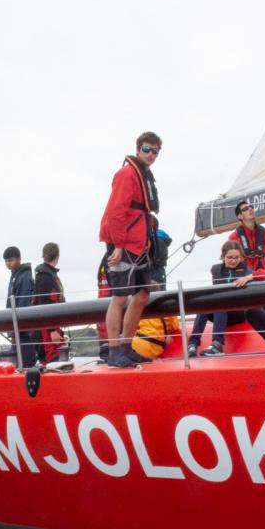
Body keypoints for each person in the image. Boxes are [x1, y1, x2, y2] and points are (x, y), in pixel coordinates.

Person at [99, 131, 161, 368]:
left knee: (142, 295)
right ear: (138, 149)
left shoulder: (144, 175)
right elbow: (116, 211)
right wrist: (117, 245)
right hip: (124, 244)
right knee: (119, 296)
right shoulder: (127, 174)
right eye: (147, 149)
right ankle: (114, 350)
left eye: (155, 151)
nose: (151, 154)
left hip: (140, 245)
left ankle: (126, 346)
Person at [187, 240, 254, 357]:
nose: (233, 261)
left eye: (237, 257)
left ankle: (217, 344)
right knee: (203, 307)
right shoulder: (216, 270)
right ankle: (193, 344)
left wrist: (249, 277)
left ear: (241, 258)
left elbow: (261, 275)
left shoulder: (247, 271)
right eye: (230, 257)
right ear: (223, 257)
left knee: (220, 305)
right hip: (221, 313)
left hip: (238, 313)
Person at [3, 246, 40, 368]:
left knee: (25, 362)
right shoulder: (15, 276)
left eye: (11, 260)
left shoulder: (24, 277)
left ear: (19, 259)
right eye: (6, 261)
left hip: (23, 330)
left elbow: (23, 304)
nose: (8, 263)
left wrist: (15, 331)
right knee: (19, 362)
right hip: (17, 328)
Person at [33, 242, 67, 362]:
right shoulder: (45, 277)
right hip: (47, 329)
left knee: (55, 358)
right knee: (51, 359)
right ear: (57, 256)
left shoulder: (47, 275)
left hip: (51, 325)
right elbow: (44, 305)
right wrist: (52, 330)